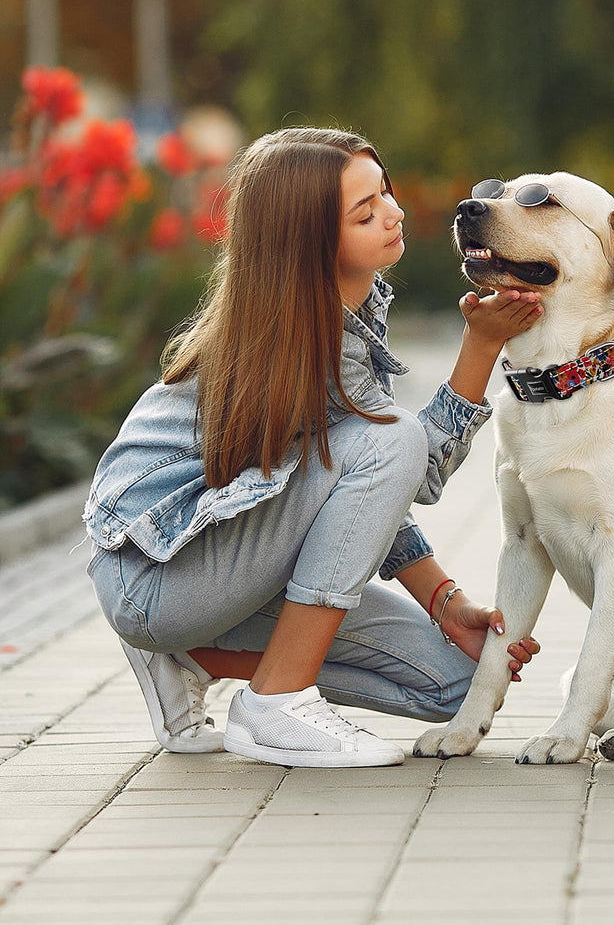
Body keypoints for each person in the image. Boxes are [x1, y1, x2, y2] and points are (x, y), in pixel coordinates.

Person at [84, 127, 542, 769]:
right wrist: (482, 347)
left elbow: (357, 493)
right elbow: (411, 466)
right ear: (310, 243)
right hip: (161, 576)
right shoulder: (291, 339)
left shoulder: (346, 308)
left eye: (385, 192)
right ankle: (275, 703)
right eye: (367, 211)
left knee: (456, 685)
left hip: (233, 562)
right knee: (392, 443)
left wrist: (446, 603)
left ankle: (193, 661)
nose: (396, 212)